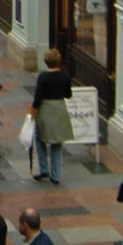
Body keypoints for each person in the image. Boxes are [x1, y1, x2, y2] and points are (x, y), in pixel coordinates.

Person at [30, 48, 73, 184]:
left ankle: (43, 169)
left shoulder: (43, 77)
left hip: (45, 109)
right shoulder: (65, 76)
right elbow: (68, 94)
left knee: (40, 137)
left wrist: (33, 113)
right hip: (59, 108)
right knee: (57, 142)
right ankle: (55, 175)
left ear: (46, 62)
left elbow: (38, 98)